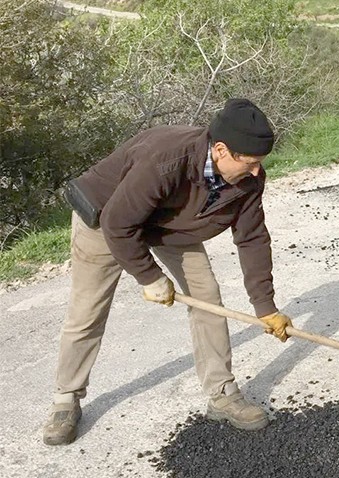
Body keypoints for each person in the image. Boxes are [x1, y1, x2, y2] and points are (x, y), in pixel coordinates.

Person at [43, 98, 293, 446]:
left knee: (206, 297)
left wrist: (265, 306)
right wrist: (149, 277)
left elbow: (251, 238)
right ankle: (65, 401)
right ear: (221, 150)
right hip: (105, 219)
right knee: (88, 311)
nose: (256, 171)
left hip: (170, 226)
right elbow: (118, 224)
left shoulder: (250, 180)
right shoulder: (166, 159)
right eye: (250, 163)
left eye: (259, 164)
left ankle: (222, 393)